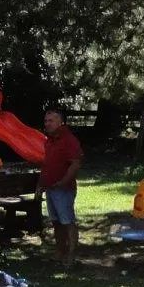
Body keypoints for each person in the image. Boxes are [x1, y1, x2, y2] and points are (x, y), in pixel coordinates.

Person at [40, 107, 84, 266]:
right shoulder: (49, 141)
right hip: (50, 188)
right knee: (56, 222)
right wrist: (40, 184)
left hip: (63, 189)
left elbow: (75, 164)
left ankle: (71, 255)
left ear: (61, 122)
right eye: (46, 121)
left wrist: (64, 181)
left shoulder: (69, 140)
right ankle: (60, 252)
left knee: (67, 221)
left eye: (51, 121)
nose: (47, 124)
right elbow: (46, 164)